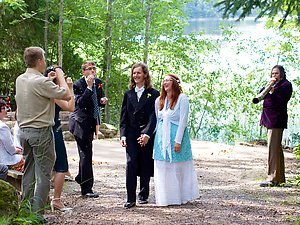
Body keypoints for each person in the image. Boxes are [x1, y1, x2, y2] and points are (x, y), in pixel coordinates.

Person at [15, 47, 71, 216]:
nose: (45, 62)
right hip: (41, 132)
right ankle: (37, 215)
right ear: (39, 61)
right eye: (44, 59)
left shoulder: (21, 79)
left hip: (24, 131)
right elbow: (66, 95)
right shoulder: (41, 82)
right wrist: (60, 75)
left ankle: (25, 210)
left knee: (29, 171)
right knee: (44, 175)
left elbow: (37, 90)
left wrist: (47, 79)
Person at [153, 74, 199, 206]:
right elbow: (157, 121)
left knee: (176, 167)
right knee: (163, 166)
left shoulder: (182, 99)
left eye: (168, 80)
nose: (165, 83)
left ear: (174, 83)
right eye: (164, 80)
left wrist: (178, 140)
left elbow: (183, 120)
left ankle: (178, 197)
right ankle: (164, 198)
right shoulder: (159, 100)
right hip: (161, 138)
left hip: (176, 136)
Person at [120, 63, 159, 209]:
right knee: (131, 164)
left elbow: (154, 117)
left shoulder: (153, 94)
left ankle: (143, 194)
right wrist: (123, 135)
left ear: (145, 75)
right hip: (131, 134)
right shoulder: (128, 94)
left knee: (145, 162)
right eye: (134, 73)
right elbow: (123, 117)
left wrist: (147, 134)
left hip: (146, 134)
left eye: (139, 73)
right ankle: (130, 198)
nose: (136, 75)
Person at [69, 60, 108, 198]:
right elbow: (80, 103)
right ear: (83, 71)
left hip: (91, 123)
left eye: (94, 68)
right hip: (79, 124)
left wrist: (102, 101)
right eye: (89, 68)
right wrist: (89, 87)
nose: (92, 71)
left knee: (85, 154)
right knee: (86, 155)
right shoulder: (78, 84)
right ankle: (86, 188)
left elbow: (97, 100)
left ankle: (81, 177)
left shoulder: (98, 82)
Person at [44, 66, 74, 211]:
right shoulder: (53, 92)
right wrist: (69, 87)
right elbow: (70, 106)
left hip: (44, 129)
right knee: (61, 166)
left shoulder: (41, 87)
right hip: (54, 130)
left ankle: (45, 198)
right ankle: (56, 200)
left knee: (45, 165)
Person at [259, 65, 293, 187]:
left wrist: (273, 92)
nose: (274, 76)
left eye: (276, 74)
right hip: (268, 119)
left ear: (282, 74)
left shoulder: (286, 85)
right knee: (276, 149)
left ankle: (272, 179)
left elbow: (282, 101)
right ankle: (279, 178)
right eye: (272, 73)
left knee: (272, 150)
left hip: (276, 120)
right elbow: (260, 94)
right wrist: (269, 86)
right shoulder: (272, 84)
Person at [0, 99, 23, 170]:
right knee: (27, 160)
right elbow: (10, 148)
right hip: (4, 160)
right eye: (3, 108)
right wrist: (16, 150)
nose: (6, 110)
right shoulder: (2, 127)